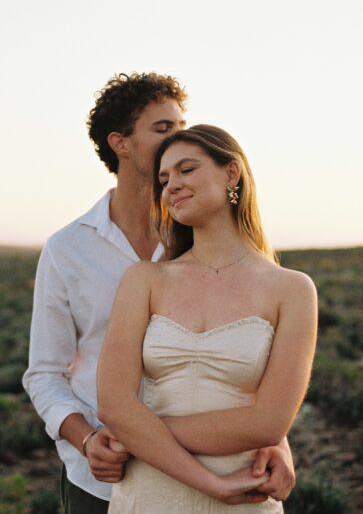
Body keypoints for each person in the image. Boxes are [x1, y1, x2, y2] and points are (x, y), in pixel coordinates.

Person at [22, 74, 297, 514]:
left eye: (182, 124)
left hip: (227, 466)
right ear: (122, 143)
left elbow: (241, 365)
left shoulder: (203, 242)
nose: (181, 135)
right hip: (105, 475)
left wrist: (276, 442)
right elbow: (44, 373)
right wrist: (90, 439)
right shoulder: (68, 249)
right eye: (163, 128)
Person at [96, 124, 318, 512]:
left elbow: (268, 423)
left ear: (231, 173)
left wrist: (136, 434)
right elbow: (114, 405)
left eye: (187, 170)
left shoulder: (292, 289)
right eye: (164, 179)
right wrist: (211, 484)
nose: (172, 186)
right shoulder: (145, 279)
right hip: (150, 492)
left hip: (246, 492)